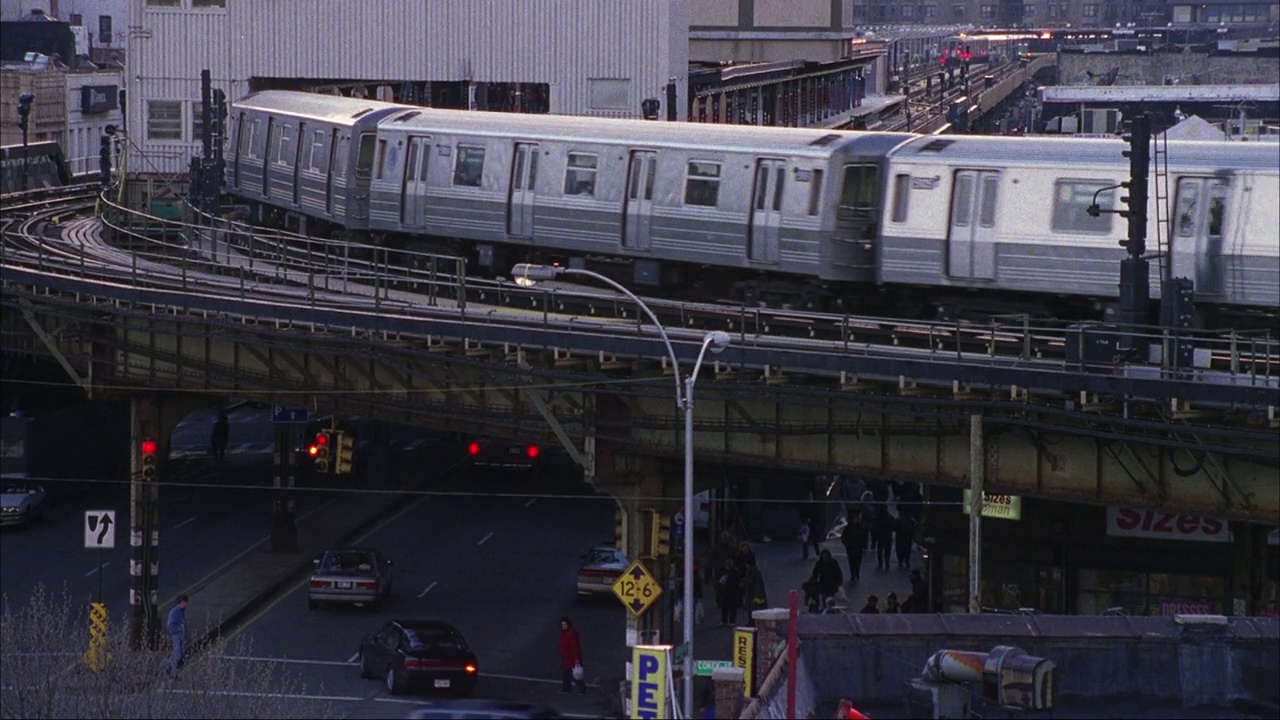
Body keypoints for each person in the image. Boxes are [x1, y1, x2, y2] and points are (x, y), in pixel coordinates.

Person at [558, 616, 586, 695]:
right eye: (562, 625)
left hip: (571, 658)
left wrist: (576, 658)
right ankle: (568, 689)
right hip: (566, 657)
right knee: (569, 674)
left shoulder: (571, 634)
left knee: (575, 674)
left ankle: (579, 689)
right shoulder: (565, 633)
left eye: (564, 624)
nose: (563, 626)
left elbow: (574, 647)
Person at [716, 558, 743, 626]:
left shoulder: (733, 572)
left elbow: (736, 582)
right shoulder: (726, 571)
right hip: (726, 592)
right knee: (725, 607)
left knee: (731, 608)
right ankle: (726, 621)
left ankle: (731, 621)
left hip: (731, 592)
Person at [840, 515, 868, 582]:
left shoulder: (861, 528)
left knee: (858, 561)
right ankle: (853, 574)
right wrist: (847, 544)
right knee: (852, 562)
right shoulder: (848, 528)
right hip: (851, 548)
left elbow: (865, 537)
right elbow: (843, 537)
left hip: (858, 547)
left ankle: (857, 573)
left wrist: (863, 544)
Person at [167, 594, 189, 678]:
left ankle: (169, 667)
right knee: (178, 655)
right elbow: (170, 625)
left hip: (180, 636)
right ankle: (173, 673)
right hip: (176, 636)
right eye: (185, 603)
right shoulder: (174, 612)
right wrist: (180, 629)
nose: (186, 605)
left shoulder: (181, 611)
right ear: (181, 602)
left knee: (179, 655)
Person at [742, 556, 767, 626]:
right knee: (751, 610)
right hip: (752, 596)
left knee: (753, 610)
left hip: (753, 596)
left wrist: (757, 597)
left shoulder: (753, 573)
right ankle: (751, 622)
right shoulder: (752, 572)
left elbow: (758, 586)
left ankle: (752, 623)